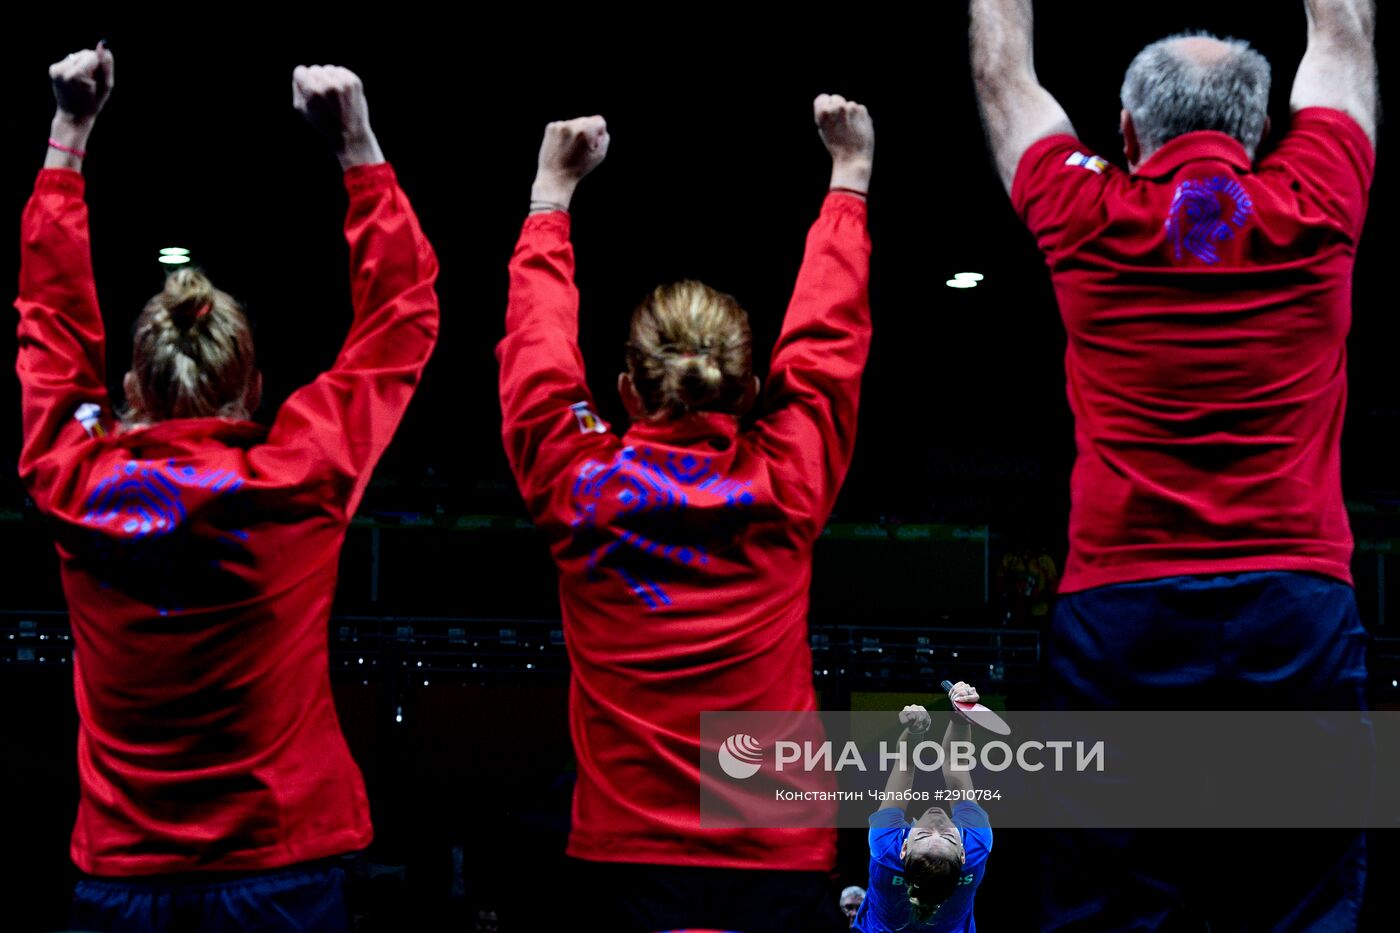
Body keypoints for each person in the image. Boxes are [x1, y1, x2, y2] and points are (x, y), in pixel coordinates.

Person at [970, 0, 1376, 928]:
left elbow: (1004, 77)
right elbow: (1344, 34)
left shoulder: (1084, 209)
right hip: (1297, 613)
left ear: (1123, 131)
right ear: (1267, 131)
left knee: (1103, 905)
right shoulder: (1319, 195)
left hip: (1123, 617)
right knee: (1305, 904)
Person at [18, 45, 439, 930]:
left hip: (125, 880)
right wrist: (356, 145)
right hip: (283, 874)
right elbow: (401, 320)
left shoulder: (71, 481)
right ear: (253, 392)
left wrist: (68, 137)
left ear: (130, 392)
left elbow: (48, 330)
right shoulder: (299, 476)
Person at [496, 95, 873, 932]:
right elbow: (827, 349)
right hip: (776, 856)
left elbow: (536, 364)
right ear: (748, 393)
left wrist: (549, 198)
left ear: (626, 391)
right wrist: (849, 179)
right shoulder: (789, 480)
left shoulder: (578, 486)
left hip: (623, 866)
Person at [852, 683, 993, 933]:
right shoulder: (976, 843)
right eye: (949, 836)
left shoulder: (886, 847)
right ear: (963, 855)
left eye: (925, 834)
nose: (936, 825)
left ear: (903, 848)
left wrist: (915, 732)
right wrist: (961, 718)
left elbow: (906, 765)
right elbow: (956, 765)